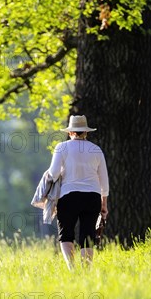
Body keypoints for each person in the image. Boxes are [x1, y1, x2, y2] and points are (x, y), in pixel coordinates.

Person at [47, 115, 109, 269]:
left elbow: (53, 173)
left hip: (69, 196)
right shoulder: (96, 149)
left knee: (66, 234)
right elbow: (104, 181)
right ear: (86, 132)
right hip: (92, 197)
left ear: (70, 132)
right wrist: (104, 204)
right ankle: (86, 270)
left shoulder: (61, 147)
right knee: (88, 234)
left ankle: (72, 269)